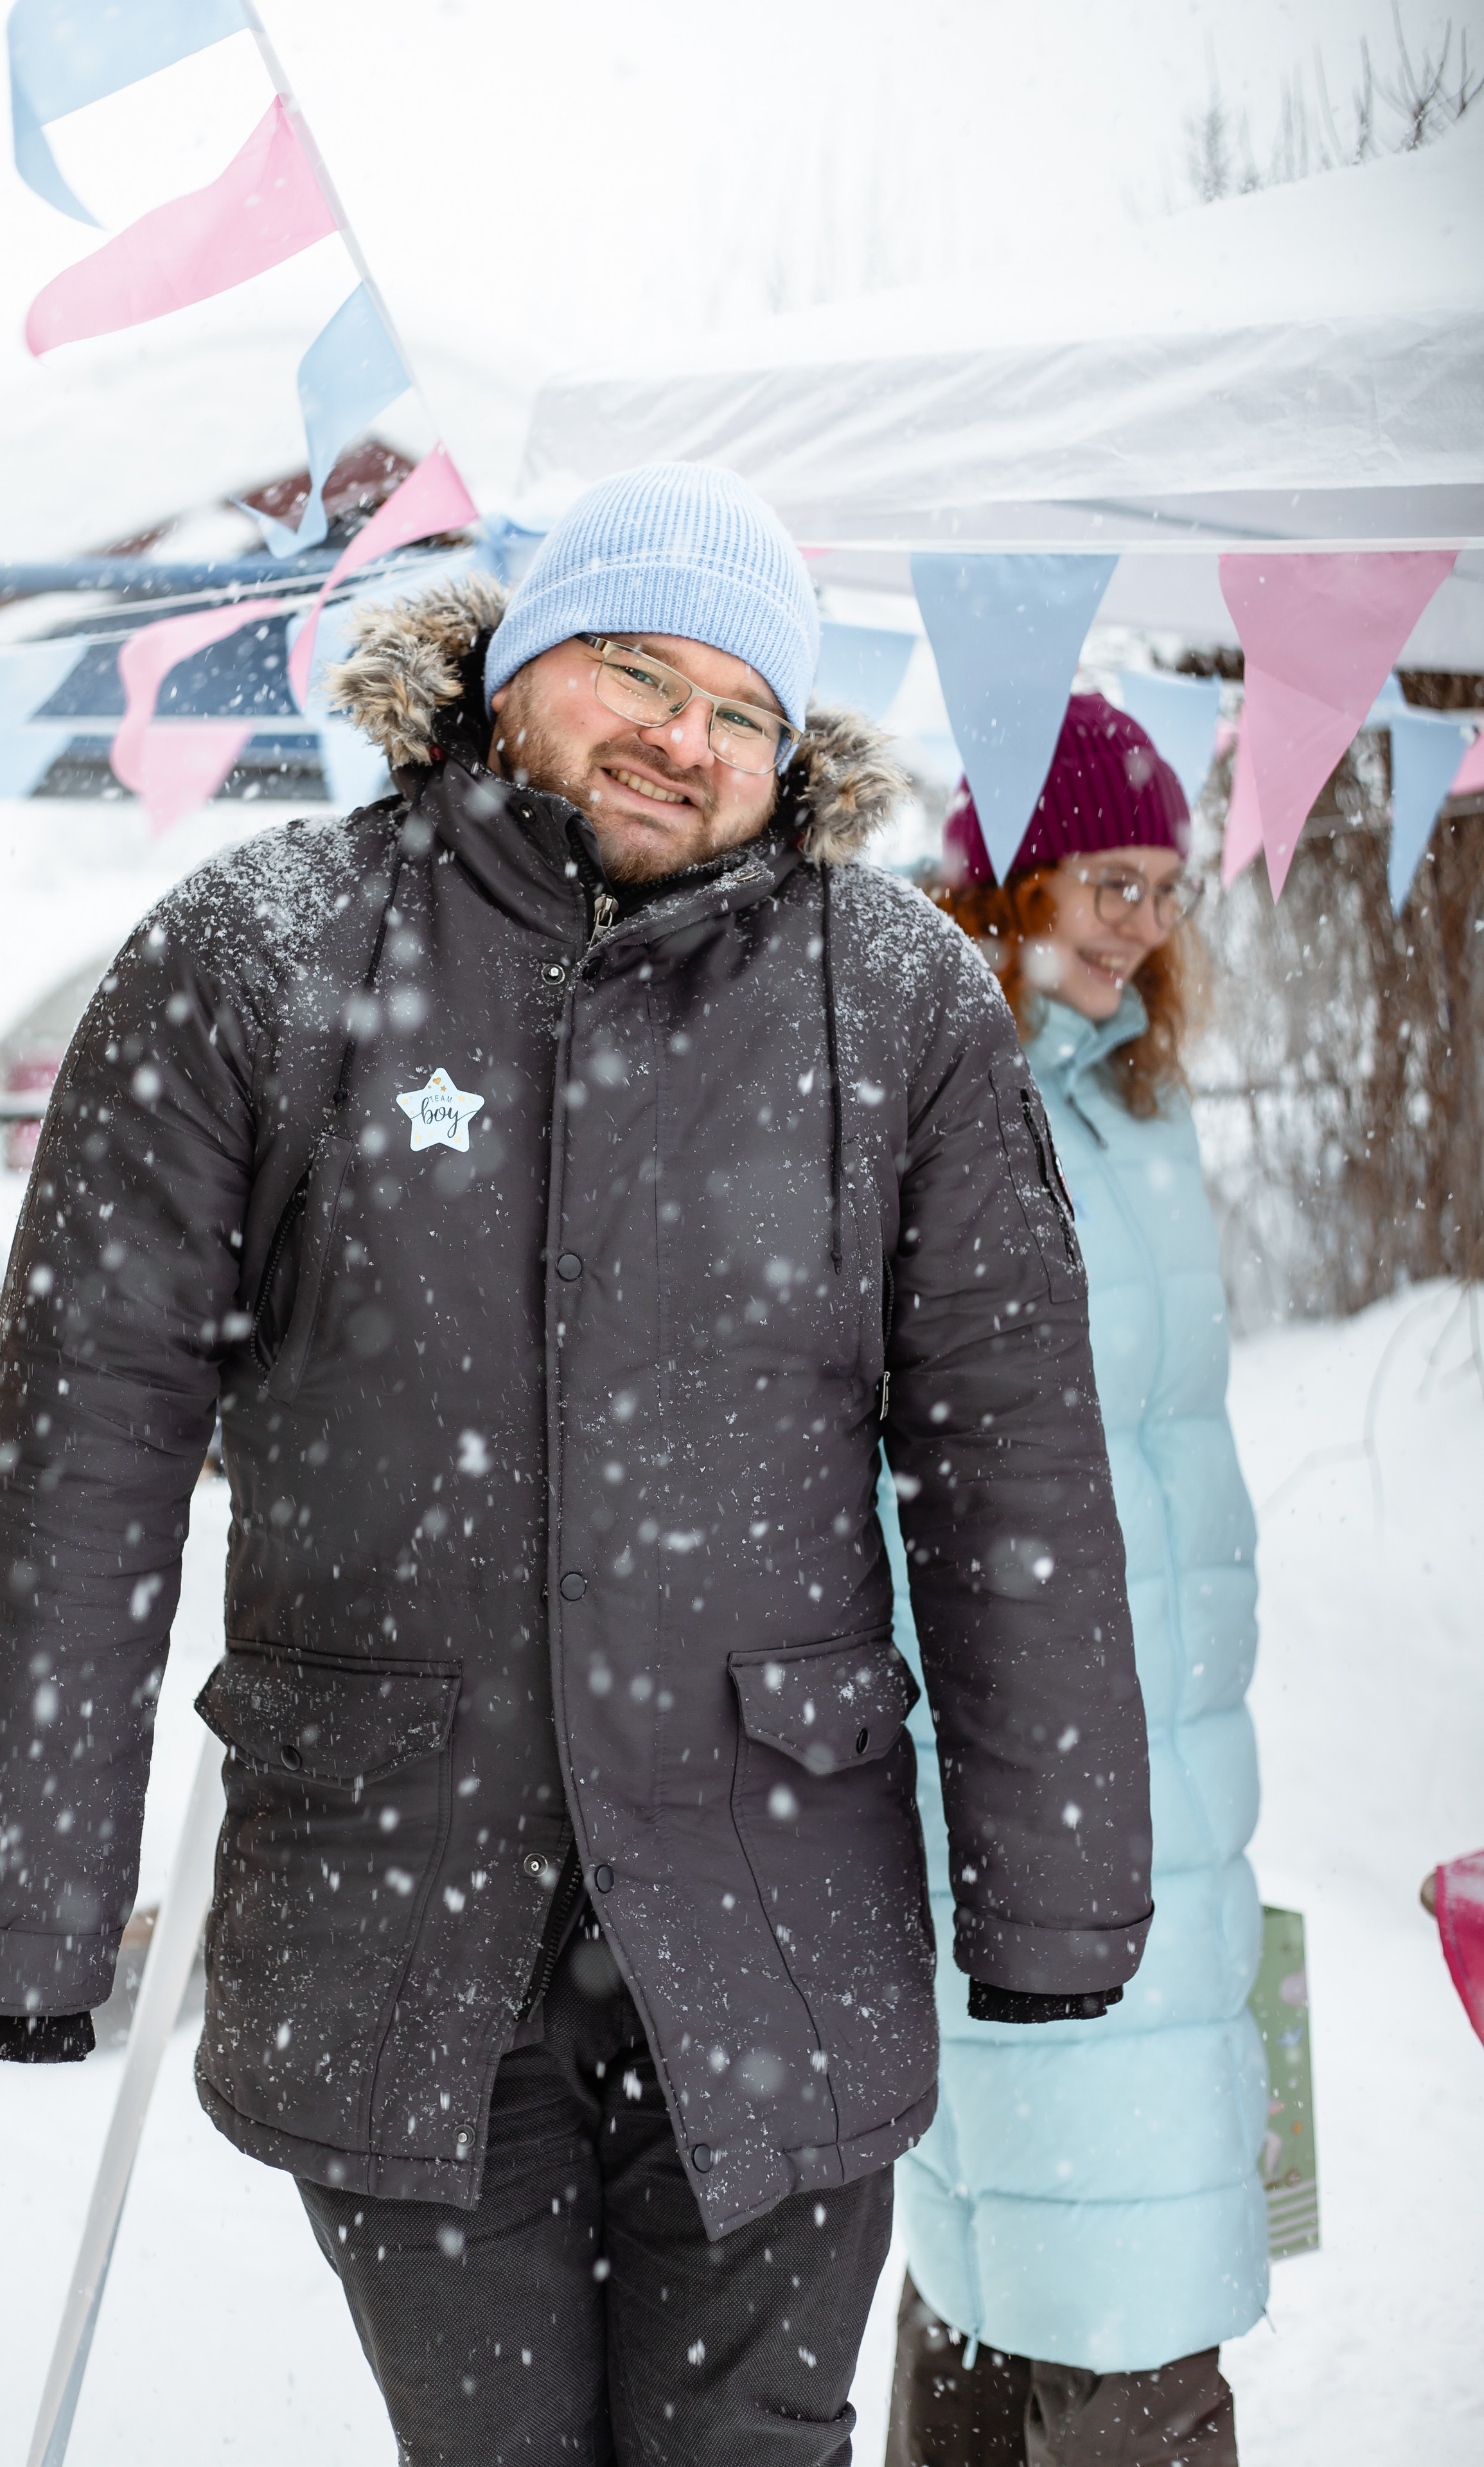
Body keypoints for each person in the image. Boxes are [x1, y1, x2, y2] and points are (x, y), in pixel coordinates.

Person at [0, 466, 1153, 2466]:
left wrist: (1057, 1901)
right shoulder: (261, 954)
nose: (685, 736)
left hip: (776, 1928)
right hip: (397, 1927)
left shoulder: (895, 995)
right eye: (636, 670)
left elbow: (1015, 1471)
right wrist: (20, 1915)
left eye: (741, 709)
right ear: (510, 669)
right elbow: (88, 1442)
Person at [883, 694, 1266, 2467]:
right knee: (1085, 2277)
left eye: (1166, 889)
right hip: (1024, 1788)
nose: (1142, 923)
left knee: (1047, 2256)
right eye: (1109, 881)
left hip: (1174, 1790)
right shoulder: (930, 1097)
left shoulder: (1132, 1099)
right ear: (1010, 882)